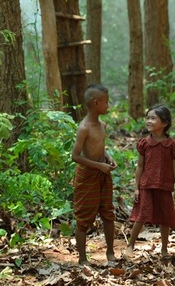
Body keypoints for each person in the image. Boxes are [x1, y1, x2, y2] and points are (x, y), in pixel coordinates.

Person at [124, 104, 175, 258]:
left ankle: (164, 249)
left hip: (164, 185)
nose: (148, 121)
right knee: (141, 216)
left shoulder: (172, 145)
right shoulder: (144, 143)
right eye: (147, 118)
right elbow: (140, 166)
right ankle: (130, 245)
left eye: (153, 118)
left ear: (164, 123)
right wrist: (136, 188)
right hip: (147, 185)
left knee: (165, 218)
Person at [71, 84, 117, 265]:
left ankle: (111, 252)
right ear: (96, 103)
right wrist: (98, 166)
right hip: (88, 175)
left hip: (102, 173)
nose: (108, 105)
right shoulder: (84, 128)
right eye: (106, 102)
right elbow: (75, 156)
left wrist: (108, 157)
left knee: (108, 213)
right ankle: (82, 259)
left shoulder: (102, 125)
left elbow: (101, 149)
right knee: (83, 217)